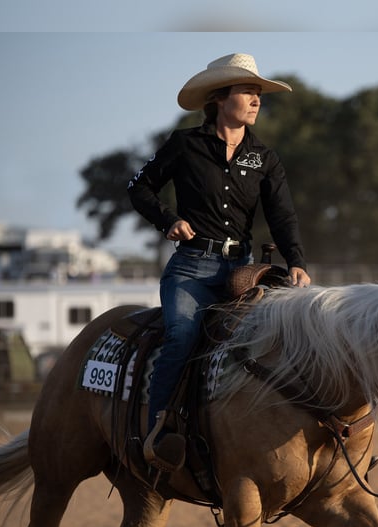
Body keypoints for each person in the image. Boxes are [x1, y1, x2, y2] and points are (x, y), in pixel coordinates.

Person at [128, 53, 311, 473]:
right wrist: (168, 220)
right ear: (219, 98)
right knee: (181, 336)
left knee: (274, 341)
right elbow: (139, 190)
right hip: (191, 270)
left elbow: (283, 217)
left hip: (242, 273)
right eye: (248, 90)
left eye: (258, 93)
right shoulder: (185, 145)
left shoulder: (264, 157)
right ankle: (159, 432)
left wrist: (297, 261)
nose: (256, 99)